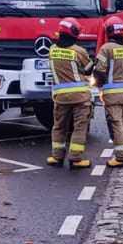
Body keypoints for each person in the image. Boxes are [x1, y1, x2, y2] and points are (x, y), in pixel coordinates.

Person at [46, 19, 94, 168]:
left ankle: (57, 157)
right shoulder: (78, 51)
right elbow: (88, 69)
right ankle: (75, 158)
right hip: (80, 97)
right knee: (80, 127)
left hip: (60, 97)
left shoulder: (52, 50)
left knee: (59, 126)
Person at [93, 17, 123, 167]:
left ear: (109, 31)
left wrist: (99, 83)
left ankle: (121, 157)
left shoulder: (106, 48)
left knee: (117, 124)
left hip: (112, 94)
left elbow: (99, 70)